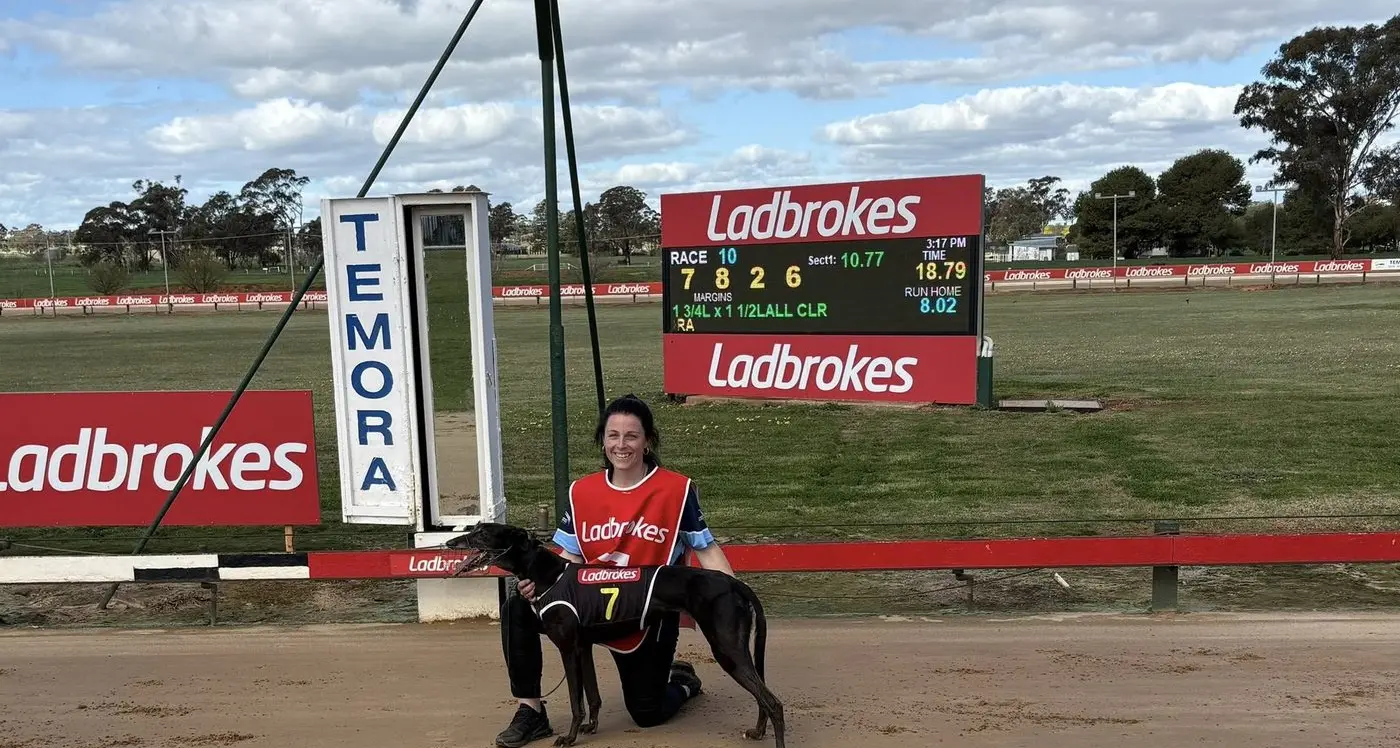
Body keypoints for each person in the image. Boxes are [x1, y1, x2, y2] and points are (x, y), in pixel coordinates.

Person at [494, 394, 737, 748]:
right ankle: (530, 710)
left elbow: (705, 548)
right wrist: (539, 588)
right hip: (590, 608)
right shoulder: (582, 491)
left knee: (647, 713)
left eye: (631, 436)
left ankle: (682, 680)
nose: (621, 445)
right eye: (613, 435)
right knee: (519, 605)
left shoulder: (676, 489)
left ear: (648, 441)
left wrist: (734, 598)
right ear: (602, 439)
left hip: (645, 614)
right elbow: (570, 558)